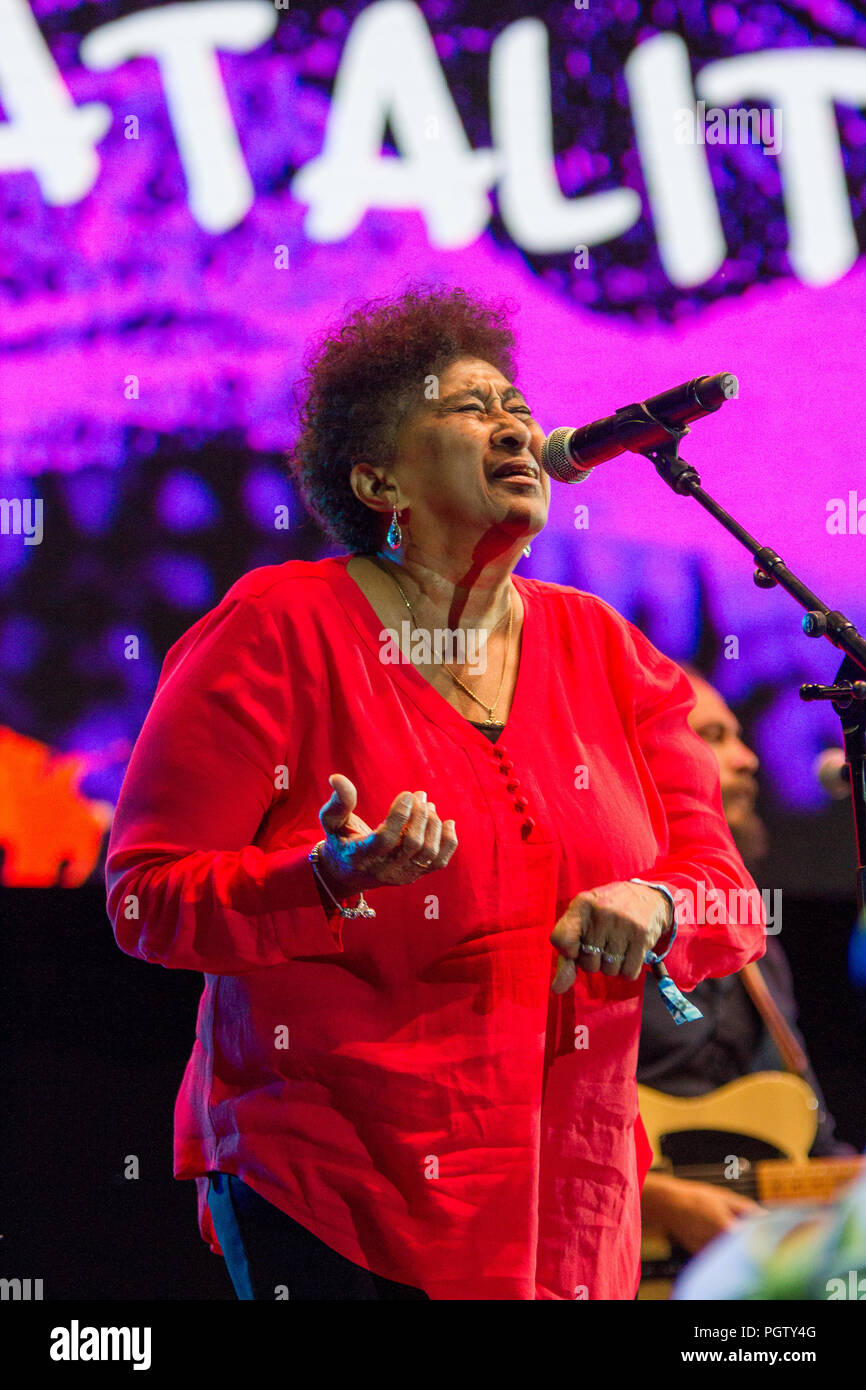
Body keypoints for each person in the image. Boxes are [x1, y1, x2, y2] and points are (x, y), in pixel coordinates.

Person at [104, 284, 765, 1301]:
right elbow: (145, 895)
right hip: (335, 1184)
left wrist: (658, 901)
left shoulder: (606, 651)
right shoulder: (280, 630)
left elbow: (722, 891)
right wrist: (322, 877)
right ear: (378, 481)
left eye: (513, 403)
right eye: (466, 407)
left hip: (567, 1197)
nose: (510, 422)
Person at [639, 668, 857, 1259]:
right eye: (713, 737)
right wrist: (663, 1202)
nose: (748, 759)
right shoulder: (604, 925)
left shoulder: (759, 944)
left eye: (739, 735)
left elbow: (811, 1137)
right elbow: (529, 1131)